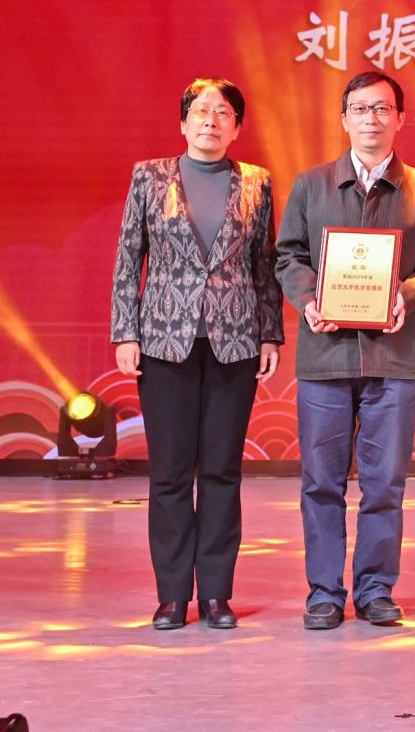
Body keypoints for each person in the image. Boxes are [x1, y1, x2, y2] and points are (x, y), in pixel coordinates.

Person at [277, 71, 415, 630]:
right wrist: (310, 299)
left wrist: (406, 294)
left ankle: (376, 589)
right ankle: (324, 592)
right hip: (324, 358)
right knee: (321, 483)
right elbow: (288, 256)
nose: (371, 119)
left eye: (382, 108)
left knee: (384, 483)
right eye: (360, 109)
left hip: (393, 359)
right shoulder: (311, 186)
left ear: (400, 118)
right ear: (344, 119)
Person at [110, 77, 282, 632]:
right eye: (201, 111)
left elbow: (264, 265)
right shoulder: (149, 176)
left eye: (223, 112)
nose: (211, 120)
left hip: (235, 343)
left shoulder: (256, 182)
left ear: (237, 127)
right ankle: (171, 596)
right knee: (169, 472)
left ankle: (215, 594)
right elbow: (128, 257)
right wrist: (125, 333)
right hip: (163, 341)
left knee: (222, 472)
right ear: (183, 122)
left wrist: (271, 334)